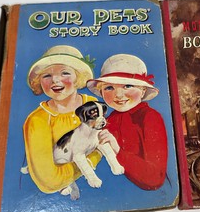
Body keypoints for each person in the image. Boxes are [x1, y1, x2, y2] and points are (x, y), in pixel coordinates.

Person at [23, 45, 101, 198]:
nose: (55, 80)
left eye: (65, 73)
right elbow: (49, 181)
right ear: (39, 82)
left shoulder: (92, 103)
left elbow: (107, 138)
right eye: (47, 76)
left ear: (78, 77)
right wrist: (95, 156)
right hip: (57, 196)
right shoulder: (38, 120)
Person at [86, 54, 168, 190]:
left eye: (127, 86)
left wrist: (117, 149)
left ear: (143, 91)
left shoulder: (150, 117)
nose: (118, 95)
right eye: (109, 88)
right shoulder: (109, 120)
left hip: (143, 194)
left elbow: (155, 178)